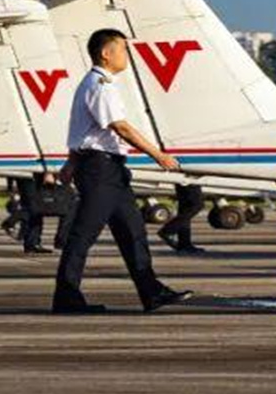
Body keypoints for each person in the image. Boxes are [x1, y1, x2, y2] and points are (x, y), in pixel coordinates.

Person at [51, 29, 193, 315]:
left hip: (109, 170)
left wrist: (70, 163)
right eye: (123, 49)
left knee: (133, 232)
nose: (127, 55)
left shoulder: (96, 84)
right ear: (106, 53)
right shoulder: (100, 84)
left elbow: (83, 130)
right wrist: (158, 154)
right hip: (100, 170)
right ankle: (66, 297)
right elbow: (120, 127)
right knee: (83, 235)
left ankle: (151, 293)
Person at [156, 182, 208, 255]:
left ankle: (184, 244)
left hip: (182, 179)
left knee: (185, 207)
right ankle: (169, 229)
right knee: (196, 205)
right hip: (189, 177)